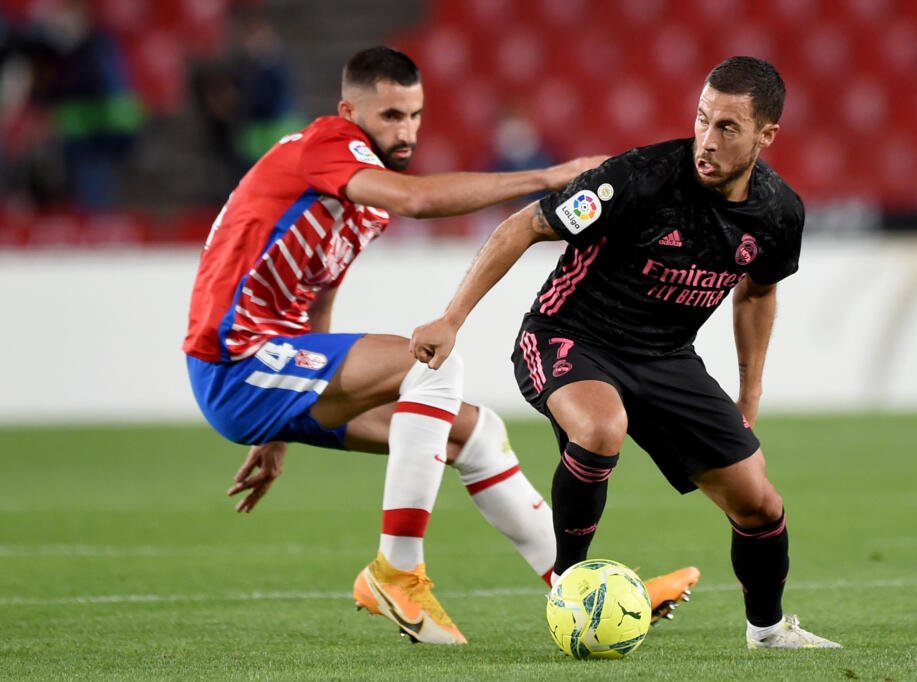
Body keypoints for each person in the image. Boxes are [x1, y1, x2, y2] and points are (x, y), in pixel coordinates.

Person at [182, 46, 696, 646]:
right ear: (350, 112)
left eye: (416, 115)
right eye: (391, 116)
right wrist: (550, 177)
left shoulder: (359, 193)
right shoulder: (324, 148)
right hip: (235, 360)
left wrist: (280, 430)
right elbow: (420, 201)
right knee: (430, 363)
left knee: (475, 433)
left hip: (274, 368)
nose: (407, 131)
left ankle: (581, 590)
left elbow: (319, 296)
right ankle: (395, 571)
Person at [411, 56, 842, 650]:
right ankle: (567, 586)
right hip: (567, 334)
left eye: (727, 128)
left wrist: (750, 389)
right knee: (602, 427)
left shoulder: (778, 214)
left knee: (760, 502)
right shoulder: (636, 178)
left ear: (767, 136)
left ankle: (768, 631)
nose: (707, 141)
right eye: (702, 120)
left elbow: (757, 292)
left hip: (666, 357)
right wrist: (452, 318)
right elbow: (522, 226)